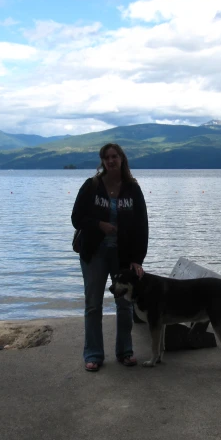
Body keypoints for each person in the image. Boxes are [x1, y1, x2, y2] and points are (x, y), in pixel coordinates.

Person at [71, 143, 148, 372]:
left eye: (114, 156)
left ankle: (125, 351)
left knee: (124, 305)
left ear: (122, 159)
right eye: (106, 157)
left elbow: (142, 226)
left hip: (122, 255)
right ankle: (93, 354)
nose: (111, 161)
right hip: (94, 254)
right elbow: (76, 218)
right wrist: (99, 225)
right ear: (102, 161)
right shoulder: (91, 186)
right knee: (93, 305)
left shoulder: (133, 189)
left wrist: (138, 259)